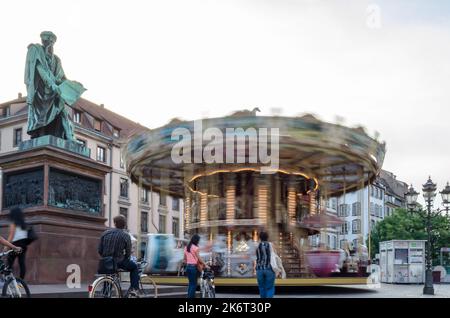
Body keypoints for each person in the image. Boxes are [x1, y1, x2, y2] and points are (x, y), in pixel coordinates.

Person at [98, 215, 140, 296]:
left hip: (106, 262)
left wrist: (106, 257)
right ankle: (134, 289)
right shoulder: (126, 235)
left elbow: (100, 250)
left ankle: (105, 294)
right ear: (124, 225)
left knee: (109, 276)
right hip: (119, 261)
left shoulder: (105, 233)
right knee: (134, 267)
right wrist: (126, 258)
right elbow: (128, 252)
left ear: (114, 223)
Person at [5, 208, 29, 279]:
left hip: (15, 244)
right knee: (22, 263)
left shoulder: (13, 222)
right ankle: (21, 281)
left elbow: (11, 235)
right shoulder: (23, 223)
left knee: (9, 262)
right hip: (23, 244)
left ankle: (7, 279)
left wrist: (6, 246)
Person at [183, 234, 208, 298]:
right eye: (198, 240)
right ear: (196, 240)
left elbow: (184, 259)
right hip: (194, 268)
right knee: (194, 284)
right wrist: (205, 264)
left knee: (190, 284)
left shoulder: (186, 247)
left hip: (188, 267)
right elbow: (199, 258)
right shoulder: (196, 248)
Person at [255, 231, 276, 298]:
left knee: (261, 287)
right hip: (269, 268)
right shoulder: (271, 245)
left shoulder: (256, 245)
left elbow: (253, 256)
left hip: (259, 269)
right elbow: (275, 255)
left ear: (260, 237)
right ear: (267, 237)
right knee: (269, 287)